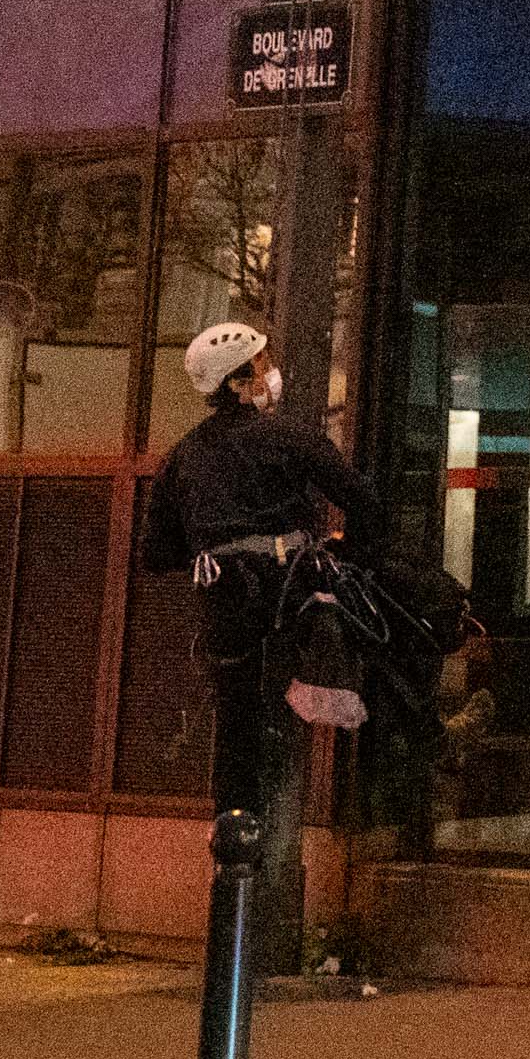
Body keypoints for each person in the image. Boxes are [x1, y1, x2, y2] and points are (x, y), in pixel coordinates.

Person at [135, 321, 378, 814]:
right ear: (238, 381)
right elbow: (363, 499)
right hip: (290, 599)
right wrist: (346, 551)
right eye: (262, 366)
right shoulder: (287, 437)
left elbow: (154, 555)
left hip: (224, 608)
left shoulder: (184, 455)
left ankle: (233, 835)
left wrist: (214, 542)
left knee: (236, 724)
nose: (271, 376)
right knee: (371, 627)